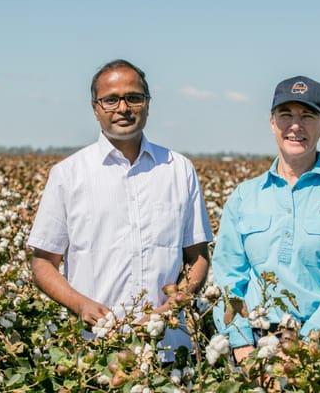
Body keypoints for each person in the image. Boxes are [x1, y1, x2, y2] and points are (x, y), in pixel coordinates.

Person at [27, 59, 213, 362]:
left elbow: (199, 257)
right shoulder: (68, 175)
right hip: (95, 354)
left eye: (133, 98)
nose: (123, 108)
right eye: (111, 100)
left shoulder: (179, 170)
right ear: (95, 107)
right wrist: (81, 305)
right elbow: (43, 262)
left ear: (147, 104)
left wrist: (175, 303)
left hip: (169, 350)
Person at [212, 76, 320, 369]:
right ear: (272, 122)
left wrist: (313, 342)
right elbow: (227, 277)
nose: (295, 125)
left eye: (307, 116)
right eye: (286, 115)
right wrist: (241, 345)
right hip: (258, 342)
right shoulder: (245, 196)